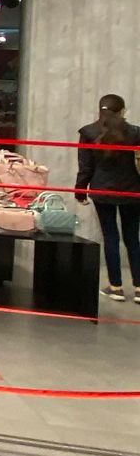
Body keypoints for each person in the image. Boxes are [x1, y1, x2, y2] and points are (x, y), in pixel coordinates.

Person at [76, 93, 140, 303]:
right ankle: (139, 288)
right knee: (133, 239)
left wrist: (80, 191)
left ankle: (116, 287)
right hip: (132, 192)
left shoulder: (88, 132)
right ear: (123, 111)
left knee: (110, 237)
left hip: (102, 191)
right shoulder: (136, 133)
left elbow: (85, 167)